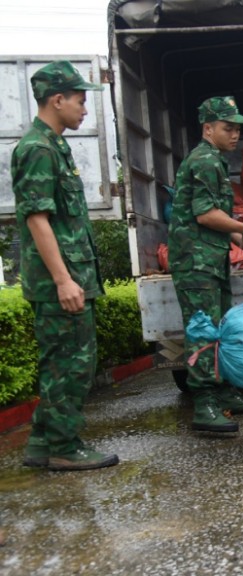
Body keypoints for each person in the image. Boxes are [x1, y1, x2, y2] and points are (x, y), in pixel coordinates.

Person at [12, 61, 119, 471]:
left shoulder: (53, 145)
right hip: (61, 281)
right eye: (80, 99)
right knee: (71, 365)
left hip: (71, 275)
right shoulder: (38, 149)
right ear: (57, 100)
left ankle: (43, 442)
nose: (85, 109)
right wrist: (63, 280)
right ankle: (63, 446)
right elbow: (36, 219)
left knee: (66, 362)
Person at [167, 96, 243, 433]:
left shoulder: (215, 160)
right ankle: (204, 403)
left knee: (219, 328)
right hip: (196, 263)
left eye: (238, 129)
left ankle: (223, 391)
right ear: (208, 129)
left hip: (209, 258)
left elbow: (216, 218)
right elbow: (206, 215)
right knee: (203, 331)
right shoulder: (205, 161)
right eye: (228, 128)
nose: (235, 134)